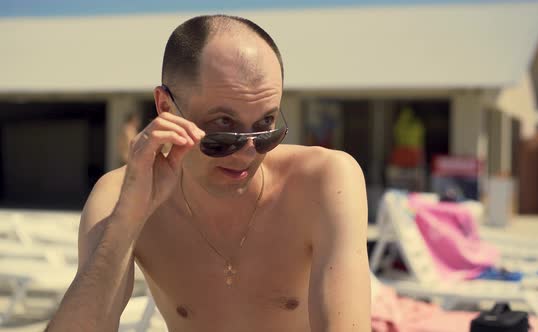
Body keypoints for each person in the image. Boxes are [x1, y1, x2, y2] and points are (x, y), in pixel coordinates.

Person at [46, 14, 370, 331]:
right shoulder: (117, 197)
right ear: (166, 108)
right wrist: (129, 219)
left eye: (265, 126)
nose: (247, 151)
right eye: (223, 128)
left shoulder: (323, 182)